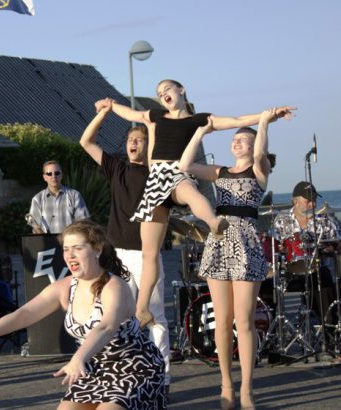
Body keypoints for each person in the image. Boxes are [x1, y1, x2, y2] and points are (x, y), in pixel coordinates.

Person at [96, 82, 295, 326]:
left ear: (181, 90)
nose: (163, 95)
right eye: (159, 94)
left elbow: (233, 120)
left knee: (189, 191)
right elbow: (132, 114)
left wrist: (267, 116)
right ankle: (142, 307)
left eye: (167, 89)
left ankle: (212, 222)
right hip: (156, 177)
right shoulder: (158, 115)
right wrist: (110, 105)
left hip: (177, 171)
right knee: (150, 253)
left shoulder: (198, 120)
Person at [0, 220, 166, 409]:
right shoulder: (65, 288)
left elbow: (106, 326)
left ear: (97, 249)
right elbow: (24, 314)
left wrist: (78, 358)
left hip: (135, 369)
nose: (70, 255)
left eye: (77, 248)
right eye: (66, 249)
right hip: (94, 368)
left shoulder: (114, 287)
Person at [180, 109, 280, 409]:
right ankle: (226, 384)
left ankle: (247, 388)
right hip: (219, 241)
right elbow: (185, 165)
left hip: (247, 244)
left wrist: (262, 122)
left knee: (244, 321)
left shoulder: (259, 172)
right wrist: (201, 131)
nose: (237, 143)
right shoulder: (220, 171)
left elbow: (261, 152)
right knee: (222, 322)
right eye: (234, 139)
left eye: (242, 140)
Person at [78, 102, 172, 390]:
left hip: (147, 257)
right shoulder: (117, 168)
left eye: (140, 140)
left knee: (153, 315)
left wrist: (151, 127)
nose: (134, 143)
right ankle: (124, 375)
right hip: (117, 254)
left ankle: (162, 378)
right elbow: (86, 142)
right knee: (114, 316)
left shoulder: (158, 175)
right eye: (131, 140)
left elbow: (156, 142)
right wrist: (104, 113)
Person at [273, 181, 340, 323]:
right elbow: (274, 246)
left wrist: (330, 248)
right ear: (295, 201)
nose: (313, 204)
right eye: (308, 201)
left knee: (325, 281)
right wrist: (280, 249)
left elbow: (338, 243)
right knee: (270, 286)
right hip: (291, 271)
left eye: (315, 200)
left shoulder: (324, 219)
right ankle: (276, 330)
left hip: (318, 269)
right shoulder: (281, 220)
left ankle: (329, 330)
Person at [28, 161, 90, 234]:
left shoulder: (74, 195)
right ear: (44, 177)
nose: (53, 176)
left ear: (61, 175)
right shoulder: (37, 199)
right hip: (48, 243)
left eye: (57, 173)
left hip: (70, 242)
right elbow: (35, 225)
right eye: (49, 174)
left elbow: (83, 222)